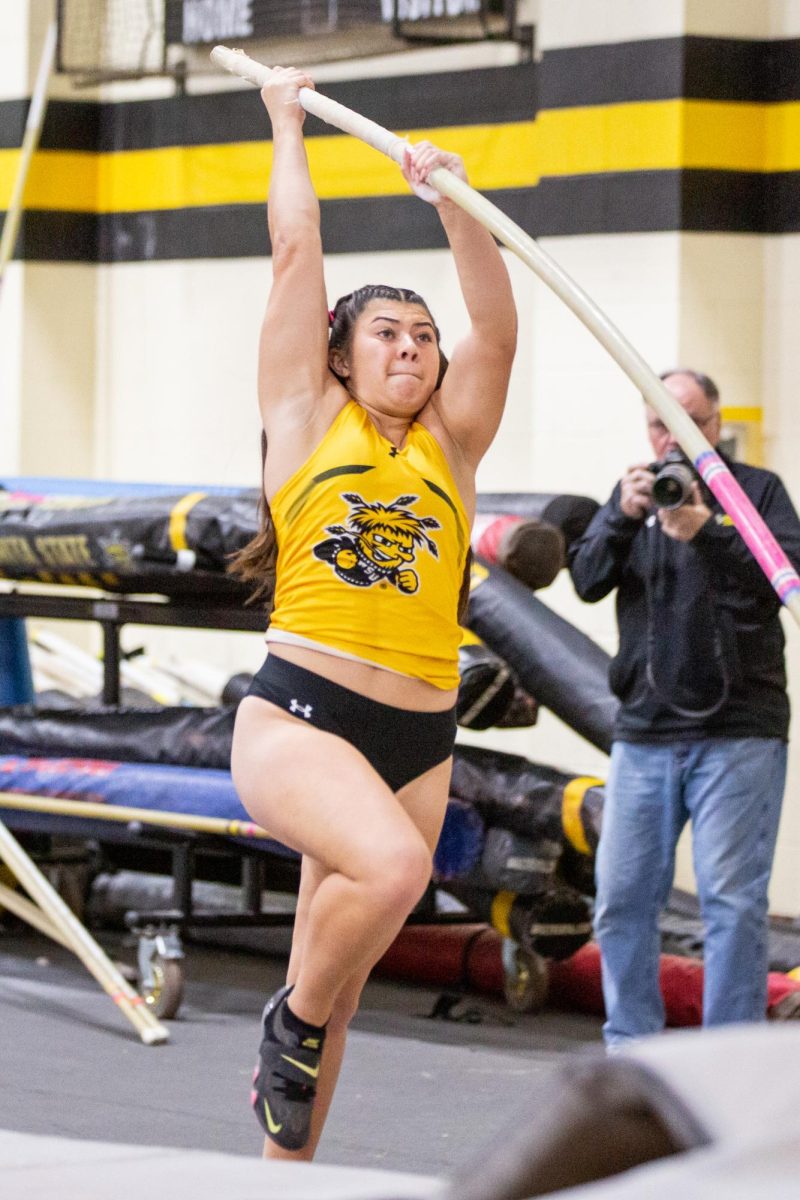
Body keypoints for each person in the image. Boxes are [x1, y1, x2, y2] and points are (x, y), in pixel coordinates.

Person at [230, 67, 517, 1159]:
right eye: (387, 335)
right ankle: (285, 1019)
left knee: (342, 989)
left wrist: (455, 203)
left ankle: (281, 1176)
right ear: (344, 359)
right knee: (391, 879)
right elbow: (296, 252)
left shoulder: (454, 440)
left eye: (420, 337)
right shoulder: (304, 418)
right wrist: (287, 125)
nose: (411, 348)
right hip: (303, 715)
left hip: (419, 732)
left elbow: (493, 323)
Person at [568, 369, 800, 1049]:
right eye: (660, 422)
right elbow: (585, 579)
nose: (672, 435)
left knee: (731, 904)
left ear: (717, 421)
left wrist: (708, 529)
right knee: (621, 902)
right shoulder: (633, 494)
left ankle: (726, 1060)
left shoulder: (758, 493)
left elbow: (788, 576)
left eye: (686, 418)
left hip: (739, 733)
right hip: (643, 733)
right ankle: (633, 1055)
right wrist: (621, 515)